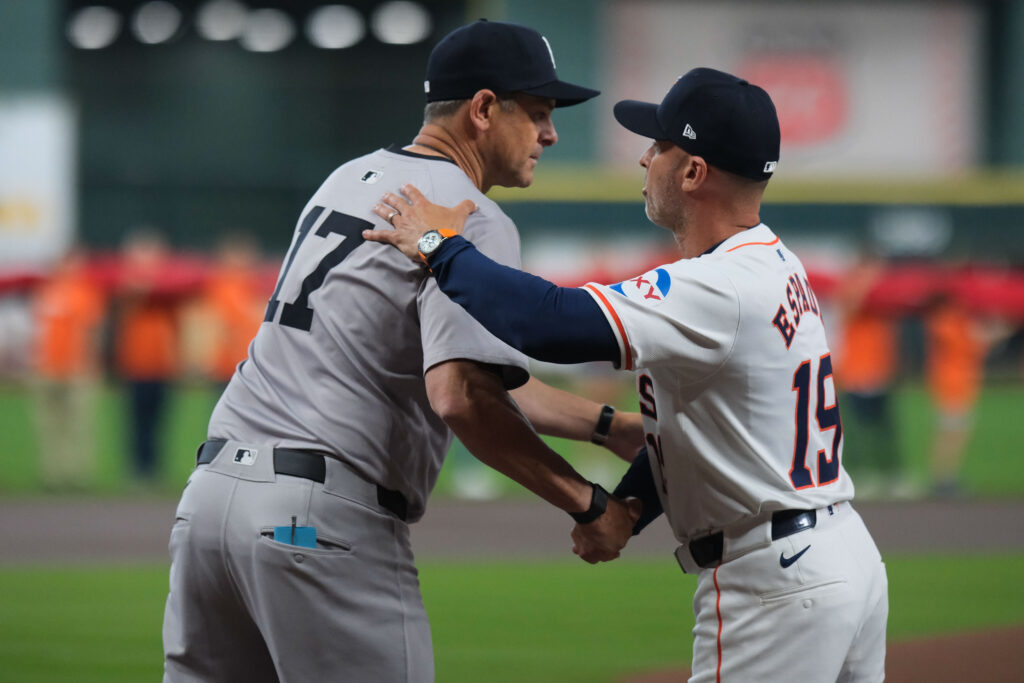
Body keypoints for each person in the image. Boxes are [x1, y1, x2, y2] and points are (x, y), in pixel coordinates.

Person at [366, 67, 889, 681]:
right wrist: (625, 512)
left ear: (693, 172)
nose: (645, 160)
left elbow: (551, 325)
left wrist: (437, 242)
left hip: (774, 580)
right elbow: (699, 435)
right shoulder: (774, 264)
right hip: (836, 557)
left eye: (659, 146)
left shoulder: (717, 285)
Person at [162, 20, 643, 683]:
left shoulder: (348, 178)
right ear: (482, 109)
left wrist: (610, 427)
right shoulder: (470, 215)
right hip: (315, 520)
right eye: (537, 113)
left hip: (211, 504)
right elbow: (463, 396)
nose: (550, 134)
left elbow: (472, 373)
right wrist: (588, 503)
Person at [832, 249, 910, 498]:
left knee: (885, 430)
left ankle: (893, 475)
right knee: (856, 430)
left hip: (880, 371)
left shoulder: (884, 295)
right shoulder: (852, 287)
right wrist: (868, 283)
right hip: (856, 373)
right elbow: (848, 309)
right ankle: (859, 475)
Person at [30, 246, 106, 490]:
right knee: (50, 425)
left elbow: (92, 331)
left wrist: (89, 363)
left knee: (78, 425)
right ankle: (53, 474)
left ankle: (77, 474)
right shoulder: (46, 292)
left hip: (76, 369)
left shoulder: (86, 292)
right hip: (47, 368)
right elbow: (38, 331)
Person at [114, 227, 181, 484]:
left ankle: (154, 469)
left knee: (159, 420)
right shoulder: (125, 284)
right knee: (136, 420)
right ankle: (137, 470)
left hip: (163, 364)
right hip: (135, 364)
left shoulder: (170, 288)